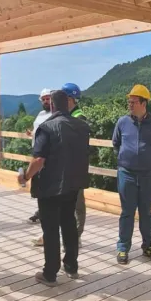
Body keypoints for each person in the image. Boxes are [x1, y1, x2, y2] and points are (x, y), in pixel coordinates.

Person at [19, 90, 91, 287]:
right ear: (67, 105)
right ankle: (71, 266)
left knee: (50, 229)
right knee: (68, 224)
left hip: (50, 186)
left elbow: (39, 160)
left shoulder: (47, 127)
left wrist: (25, 176)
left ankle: (50, 273)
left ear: (51, 106)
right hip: (73, 184)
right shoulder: (82, 127)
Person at [112, 84, 151, 264]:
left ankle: (149, 246)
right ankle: (122, 248)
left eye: (133, 101)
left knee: (146, 212)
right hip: (126, 173)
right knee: (127, 212)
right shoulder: (122, 122)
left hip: (148, 175)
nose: (130, 104)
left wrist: (147, 158)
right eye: (129, 101)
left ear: (144, 103)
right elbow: (116, 143)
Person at [33, 83, 88, 248]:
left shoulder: (78, 117)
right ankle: (60, 238)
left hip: (69, 169)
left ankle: (74, 237)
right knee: (65, 209)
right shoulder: (68, 117)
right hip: (68, 169)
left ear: (71, 99)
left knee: (75, 206)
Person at [26, 88, 54, 225]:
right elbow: (39, 131)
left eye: (48, 98)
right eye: (43, 99)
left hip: (48, 156)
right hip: (37, 151)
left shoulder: (56, 115)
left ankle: (45, 214)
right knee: (38, 187)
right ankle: (41, 212)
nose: (45, 101)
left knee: (46, 188)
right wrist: (32, 133)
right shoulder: (41, 114)